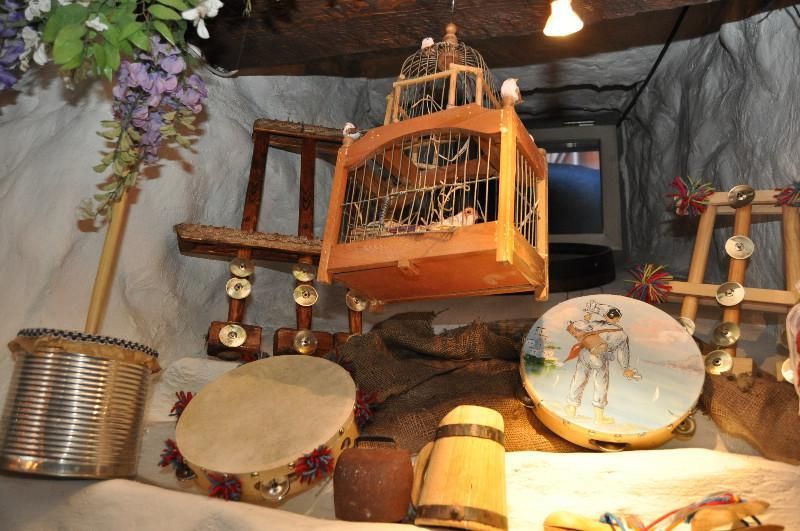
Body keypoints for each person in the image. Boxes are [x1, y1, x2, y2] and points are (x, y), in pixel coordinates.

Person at [564, 301, 639, 425]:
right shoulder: (622, 334)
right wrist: (625, 367)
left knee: (579, 379)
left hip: (585, 353)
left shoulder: (595, 324)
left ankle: (571, 409)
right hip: (601, 358)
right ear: (618, 318)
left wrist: (587, 318)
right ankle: (599, 417)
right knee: (601, 384)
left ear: (605, 316)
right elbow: (622, 353)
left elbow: (578, 327)